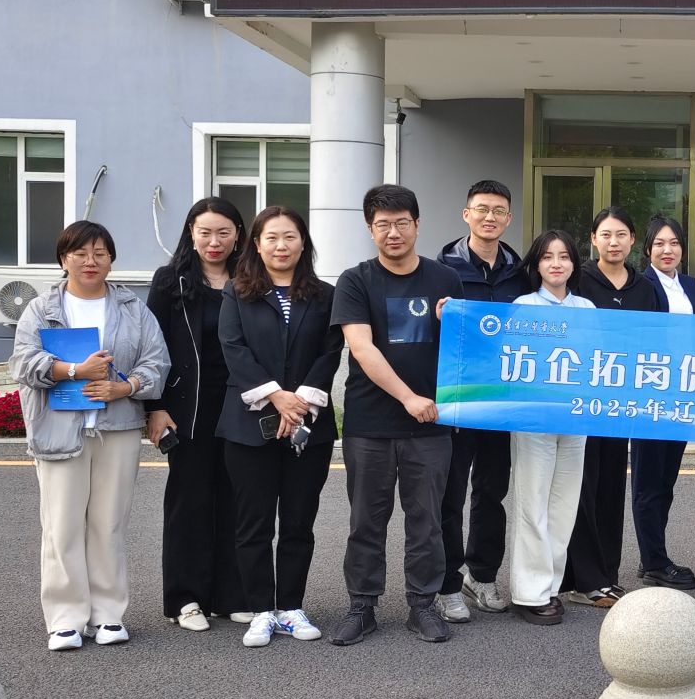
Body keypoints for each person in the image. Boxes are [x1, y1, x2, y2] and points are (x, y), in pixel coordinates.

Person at [9, 221, 171, 651]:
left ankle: (108, 615)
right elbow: (22, 363)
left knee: (108, 525)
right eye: (80, 253)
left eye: (100, 253)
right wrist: (74, 370)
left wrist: (125, 387)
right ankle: (66, 618)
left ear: (111, 259)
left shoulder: (132, 308)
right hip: (60, 429)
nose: (90, 261)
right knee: (61, 527)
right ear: (64, 259)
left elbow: (157, 361)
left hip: (116, 428)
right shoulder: (41, 308)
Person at [330, 185, 464, 647]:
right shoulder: (355, 280)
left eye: (402, 223)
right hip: (370, 423)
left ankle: (422, 605)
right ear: (370, 229)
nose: (393, 232)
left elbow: (466, 347)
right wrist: (408, 397)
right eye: (383, 224)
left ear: (417, 225)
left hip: (431, 423)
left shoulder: (445, 279)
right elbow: (361, 347)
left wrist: (452, 323)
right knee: (366, 521)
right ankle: (361, 607)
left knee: (427, 520)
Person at [219, 206, 342, 649]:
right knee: (253, 523)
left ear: (303, 242)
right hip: (248, 426)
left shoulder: (325, 295)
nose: (281, 245)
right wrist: (276, 396)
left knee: (298, 521)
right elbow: (233, 348)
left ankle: (290, 606)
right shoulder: (237, 292)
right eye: (271, 237)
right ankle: (260, 610)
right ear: (256, 244)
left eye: (290, 237)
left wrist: (299, 401)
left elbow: (331, 351)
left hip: (309, 425)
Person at [144, 196, 246, 633]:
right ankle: (184, 599)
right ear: (191, 233)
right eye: (205, 232)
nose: (214, 241)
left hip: (242, 407)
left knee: (238, 501)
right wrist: (155, 407)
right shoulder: (171, 280)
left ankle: (231, 596)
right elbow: (151, 347)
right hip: (189, 409)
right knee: (189, 503)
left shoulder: (251, 278)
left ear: (238, 235)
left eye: (224, 232)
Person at [437, 179, 529, 623]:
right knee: (449, 494)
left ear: (508, 218)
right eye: (481, 209)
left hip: (503, 398)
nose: (489, 217)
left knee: (492, 491)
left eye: (498, 211)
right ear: (466, 214)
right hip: (458, 397)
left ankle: (483, 575)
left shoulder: (520, 273)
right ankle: (446, 583)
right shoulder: (442, 269)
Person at [566, 205, 664, 605]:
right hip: (582, 403)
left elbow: (658, 342)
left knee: (611, 487)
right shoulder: (577, 281)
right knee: (583, 488)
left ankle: (607, 573)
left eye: (621, 234)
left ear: (632, 240)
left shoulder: (645, 288)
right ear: (593, 240)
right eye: (605, 234)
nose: (614, 242)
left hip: (623, 405)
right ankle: (583, 580)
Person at [507, 230, 595, 626]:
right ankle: (529, 593)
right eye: (547, 257)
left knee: (563, 505)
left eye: (563, 256)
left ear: (574, 263)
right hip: (534, 420)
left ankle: (550, 586)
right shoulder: (522, 306)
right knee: (533, 501)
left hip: (575, 417)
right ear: (536, 264)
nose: (556, 263)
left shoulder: (587, 308)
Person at [633, 212, 695, 591]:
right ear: (647, 249)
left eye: (674, 243)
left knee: (666, 480)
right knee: (648, 481)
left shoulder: (691, 286)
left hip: (683, 394)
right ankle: (655, 563)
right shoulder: (641, 285)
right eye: (659, 243)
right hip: (650, 395)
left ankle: (652, 554)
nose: (667, 249)